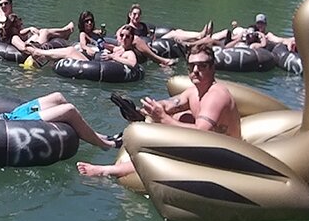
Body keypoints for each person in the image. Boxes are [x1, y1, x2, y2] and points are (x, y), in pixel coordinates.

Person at [76, 45, 240, 178]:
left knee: (163, 145)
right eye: (191, 66)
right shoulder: (194, 92)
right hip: (211, 147)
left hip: (227, 157)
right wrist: (142, 112)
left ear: (212, 68)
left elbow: (202, 133)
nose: (195, 70)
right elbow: (170, 105)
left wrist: (163, 119)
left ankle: (106, 171)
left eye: (202, 65)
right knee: (181, 115)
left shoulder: (216, 96)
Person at [105, 25, 177, 68]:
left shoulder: (130, 52)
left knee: (136, 40)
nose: (124, 38)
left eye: (127, 37)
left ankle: (162, 60)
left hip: (140, 49)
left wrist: (114, 57)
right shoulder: (119, 45)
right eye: (122, 35)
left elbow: (133, 63)